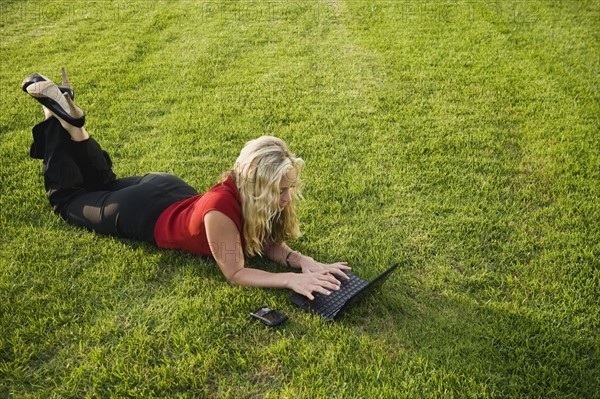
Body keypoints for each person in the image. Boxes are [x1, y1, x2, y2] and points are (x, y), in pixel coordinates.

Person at [21, 68, 350, 300]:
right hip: (145, 211)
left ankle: (72, 125)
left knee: (104, 182)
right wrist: (291, 280)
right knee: (68, 199)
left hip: (168, 190)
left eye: (289, 187)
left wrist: (303, 261)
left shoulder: (250, 195)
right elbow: (235, 273)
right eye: (280, 190)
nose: (287, 197)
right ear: (257, 185)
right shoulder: (221, 211)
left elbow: (262, 241)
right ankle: (61, 121)